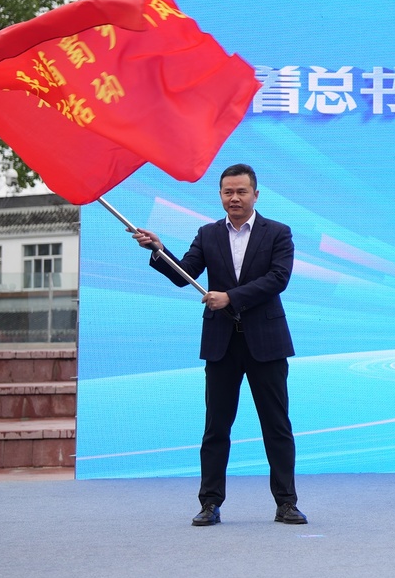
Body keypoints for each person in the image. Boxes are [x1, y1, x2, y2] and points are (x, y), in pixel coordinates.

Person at [129, 164, 306, 526]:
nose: (234, 198)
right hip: (221, 344)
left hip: (266, 343)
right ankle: (210, 503)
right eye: (228, 192)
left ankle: (286, 503)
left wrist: (230, 297)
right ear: (220, 195)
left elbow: (278, 279)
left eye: (241, 191)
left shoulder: (278, 232)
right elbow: (185, 275)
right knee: (216, 428)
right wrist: (159, 250)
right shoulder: (208, 234)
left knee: (276, 426)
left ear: (256, 195)